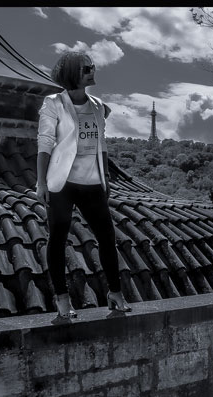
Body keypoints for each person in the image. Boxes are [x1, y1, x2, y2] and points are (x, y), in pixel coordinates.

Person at [36, 51, 131, 322]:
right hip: (62, 183)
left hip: (92, 183)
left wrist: (106, 177)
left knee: (107, 238)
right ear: (71, 73)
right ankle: (62, 298)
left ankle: (115, 293)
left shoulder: (98, 105)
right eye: (86, 68)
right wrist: (41, 182)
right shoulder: (53, 103)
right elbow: (44, 143)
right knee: (58, 239)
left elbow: (101, 143)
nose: (92, 71)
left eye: (93, 66)